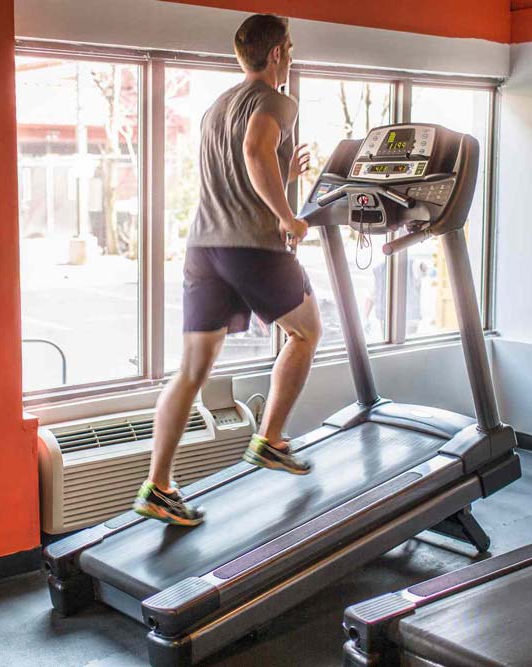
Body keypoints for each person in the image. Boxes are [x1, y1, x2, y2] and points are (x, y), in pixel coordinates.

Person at [133, 13, 322, 527]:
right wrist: (288, 216)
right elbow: (254, 151)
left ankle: (158, 486)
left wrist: (286, 171)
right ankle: (270, 440)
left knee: (192, 369)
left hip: (204, 247)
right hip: (250, 246)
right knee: (306, 332)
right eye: (290, 47)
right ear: (278, 53)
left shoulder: (217, 107)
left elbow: (242, 170)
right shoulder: (277, 100)